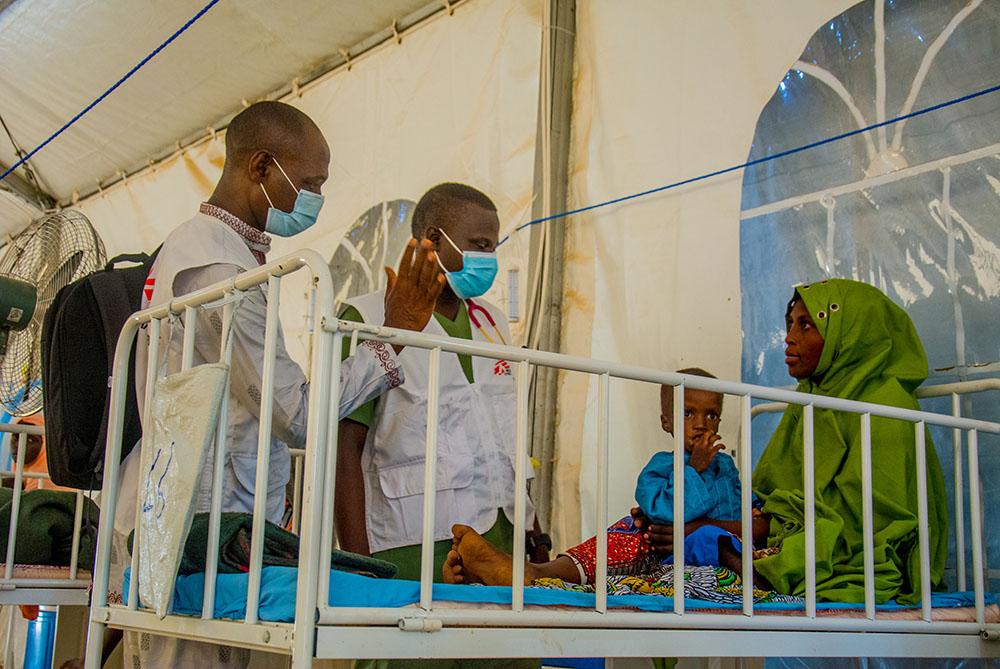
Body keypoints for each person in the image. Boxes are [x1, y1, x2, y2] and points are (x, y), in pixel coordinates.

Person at [112, 101, 445, 669]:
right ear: (262, 167)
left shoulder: (203, 249)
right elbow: (296, 411)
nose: (315, 198)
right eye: (310, 183)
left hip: (201, 506)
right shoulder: (220, 270)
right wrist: (391, 335)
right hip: (201, 515)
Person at [335, 182, 548, 585]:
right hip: (412, 543)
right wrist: (360, 569)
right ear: (433, 239)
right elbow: (345, 447)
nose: (489, 259)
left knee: (505, 648)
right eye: (479, 245)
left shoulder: (492, 321)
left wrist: (534, 532)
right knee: (416, 646)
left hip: (502, 538)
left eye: (493, 247)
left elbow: (505, 436)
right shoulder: (365, 316)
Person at [443, 369, 768, 587]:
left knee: (713, 539)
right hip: (657, 546)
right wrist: (693, 470)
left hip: (706, 548)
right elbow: (660, 513)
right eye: (688, 413)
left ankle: (523, 573)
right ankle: (535, 573)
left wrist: (707, 527)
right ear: (666, 422)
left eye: (711, 415)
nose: (701, 423)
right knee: (619, 539)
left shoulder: (727, 469)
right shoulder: (661, 466)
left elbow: (755, 519)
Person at [748, 278, 948, 605]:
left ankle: (764, 565)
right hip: (795, 531)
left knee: (708, 534)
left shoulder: (886, 405)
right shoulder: (812, 398)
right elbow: (773, 488)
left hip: (847, 547)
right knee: (675, 523)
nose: (789, 338)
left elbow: (871, 522)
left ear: (849, 333)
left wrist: (765, 526)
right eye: (790, 324)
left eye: (806, 325)